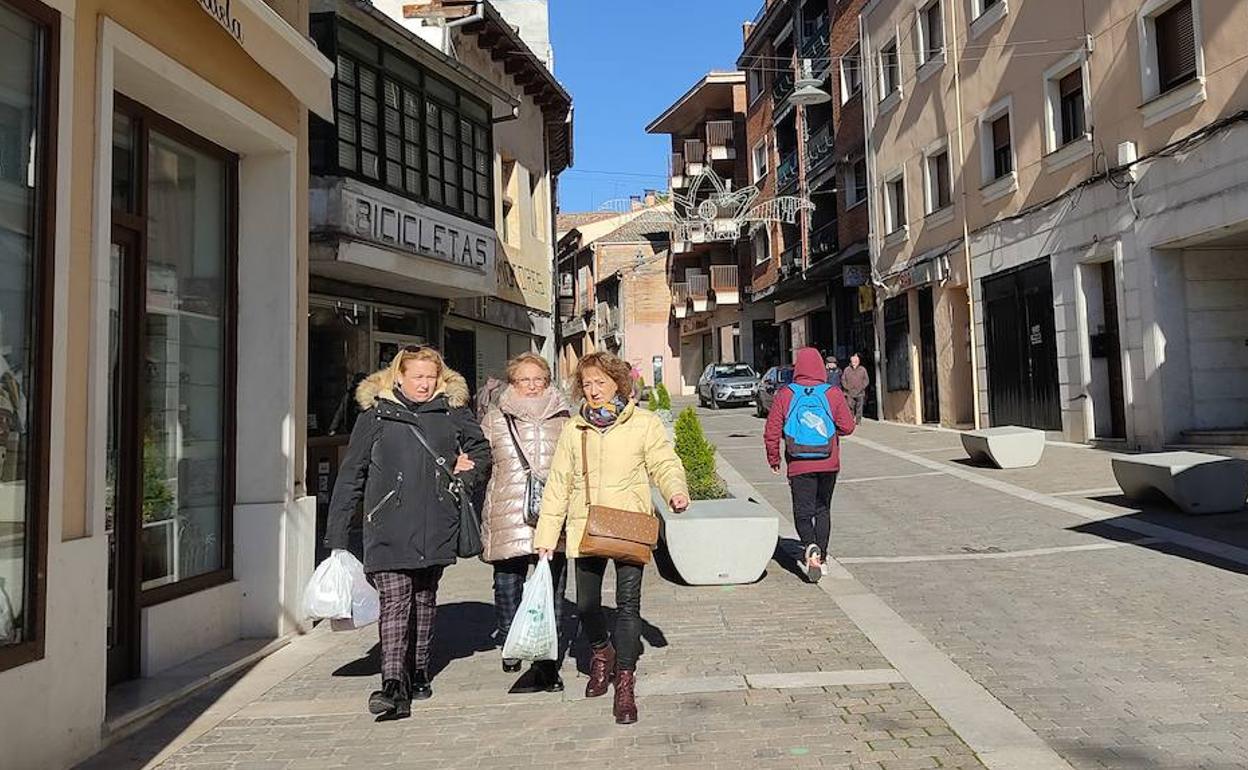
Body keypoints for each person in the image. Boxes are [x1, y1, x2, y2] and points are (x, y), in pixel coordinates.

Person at [324, 346, 491, 719]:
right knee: (396, 601)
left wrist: (466, 472)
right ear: (398, 377)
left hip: (436, 521)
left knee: (424, 598)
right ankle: (393, 684)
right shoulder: (376, 416)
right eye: (417, 377)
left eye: (430, 377)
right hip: (388, 525)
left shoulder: (450, 411)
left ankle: (418, 669)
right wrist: (337, 537)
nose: (424, 384)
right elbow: (351, 475)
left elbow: (480, 449)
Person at [534, 351, 689, 725]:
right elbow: (558, 482)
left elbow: (664, 462)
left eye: (600, 383)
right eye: (586, 384)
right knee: (586, 604)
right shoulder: (575, 428)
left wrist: (675, 491)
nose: (593, 390)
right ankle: (601, 652)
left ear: (618, 383)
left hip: (630, 524)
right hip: (586, 523)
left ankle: (625, 682)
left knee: (627, 605)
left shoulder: (644, 423)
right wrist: (546, 534)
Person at [479, 352, 572, 692]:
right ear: (512, 383)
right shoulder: (495, 417)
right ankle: (510, 638)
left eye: (538, 380)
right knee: (507, 582)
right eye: (524, 380)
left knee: (552, 588)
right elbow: (480, 459)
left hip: (552, 511)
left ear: (547, 382)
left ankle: (547, 664)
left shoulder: (563, 416)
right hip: (508, 508)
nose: (532, 386)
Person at [763, 347, 856, 583]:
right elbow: (848, 427)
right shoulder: (832, 393)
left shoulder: (786, 394)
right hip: (828, 462)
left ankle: (810, 547)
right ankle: (822, 559)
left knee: (802, 512)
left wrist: (773, 458)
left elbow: (771, 430)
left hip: (798, 464)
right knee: (823, 509)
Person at [842, 353, 870, 425]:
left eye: (856, 362)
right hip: (849, 392)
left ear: (859, 362)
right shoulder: (847, 370)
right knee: (850, 407)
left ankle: (858, 421)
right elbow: (843, 379)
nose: (854, 363)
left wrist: (862, 387)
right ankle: (851, 420)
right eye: (853, 362)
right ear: (851, 362)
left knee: (859, 407)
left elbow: (866, 380)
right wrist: (846, 387)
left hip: (860, 392)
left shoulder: (862, 369)